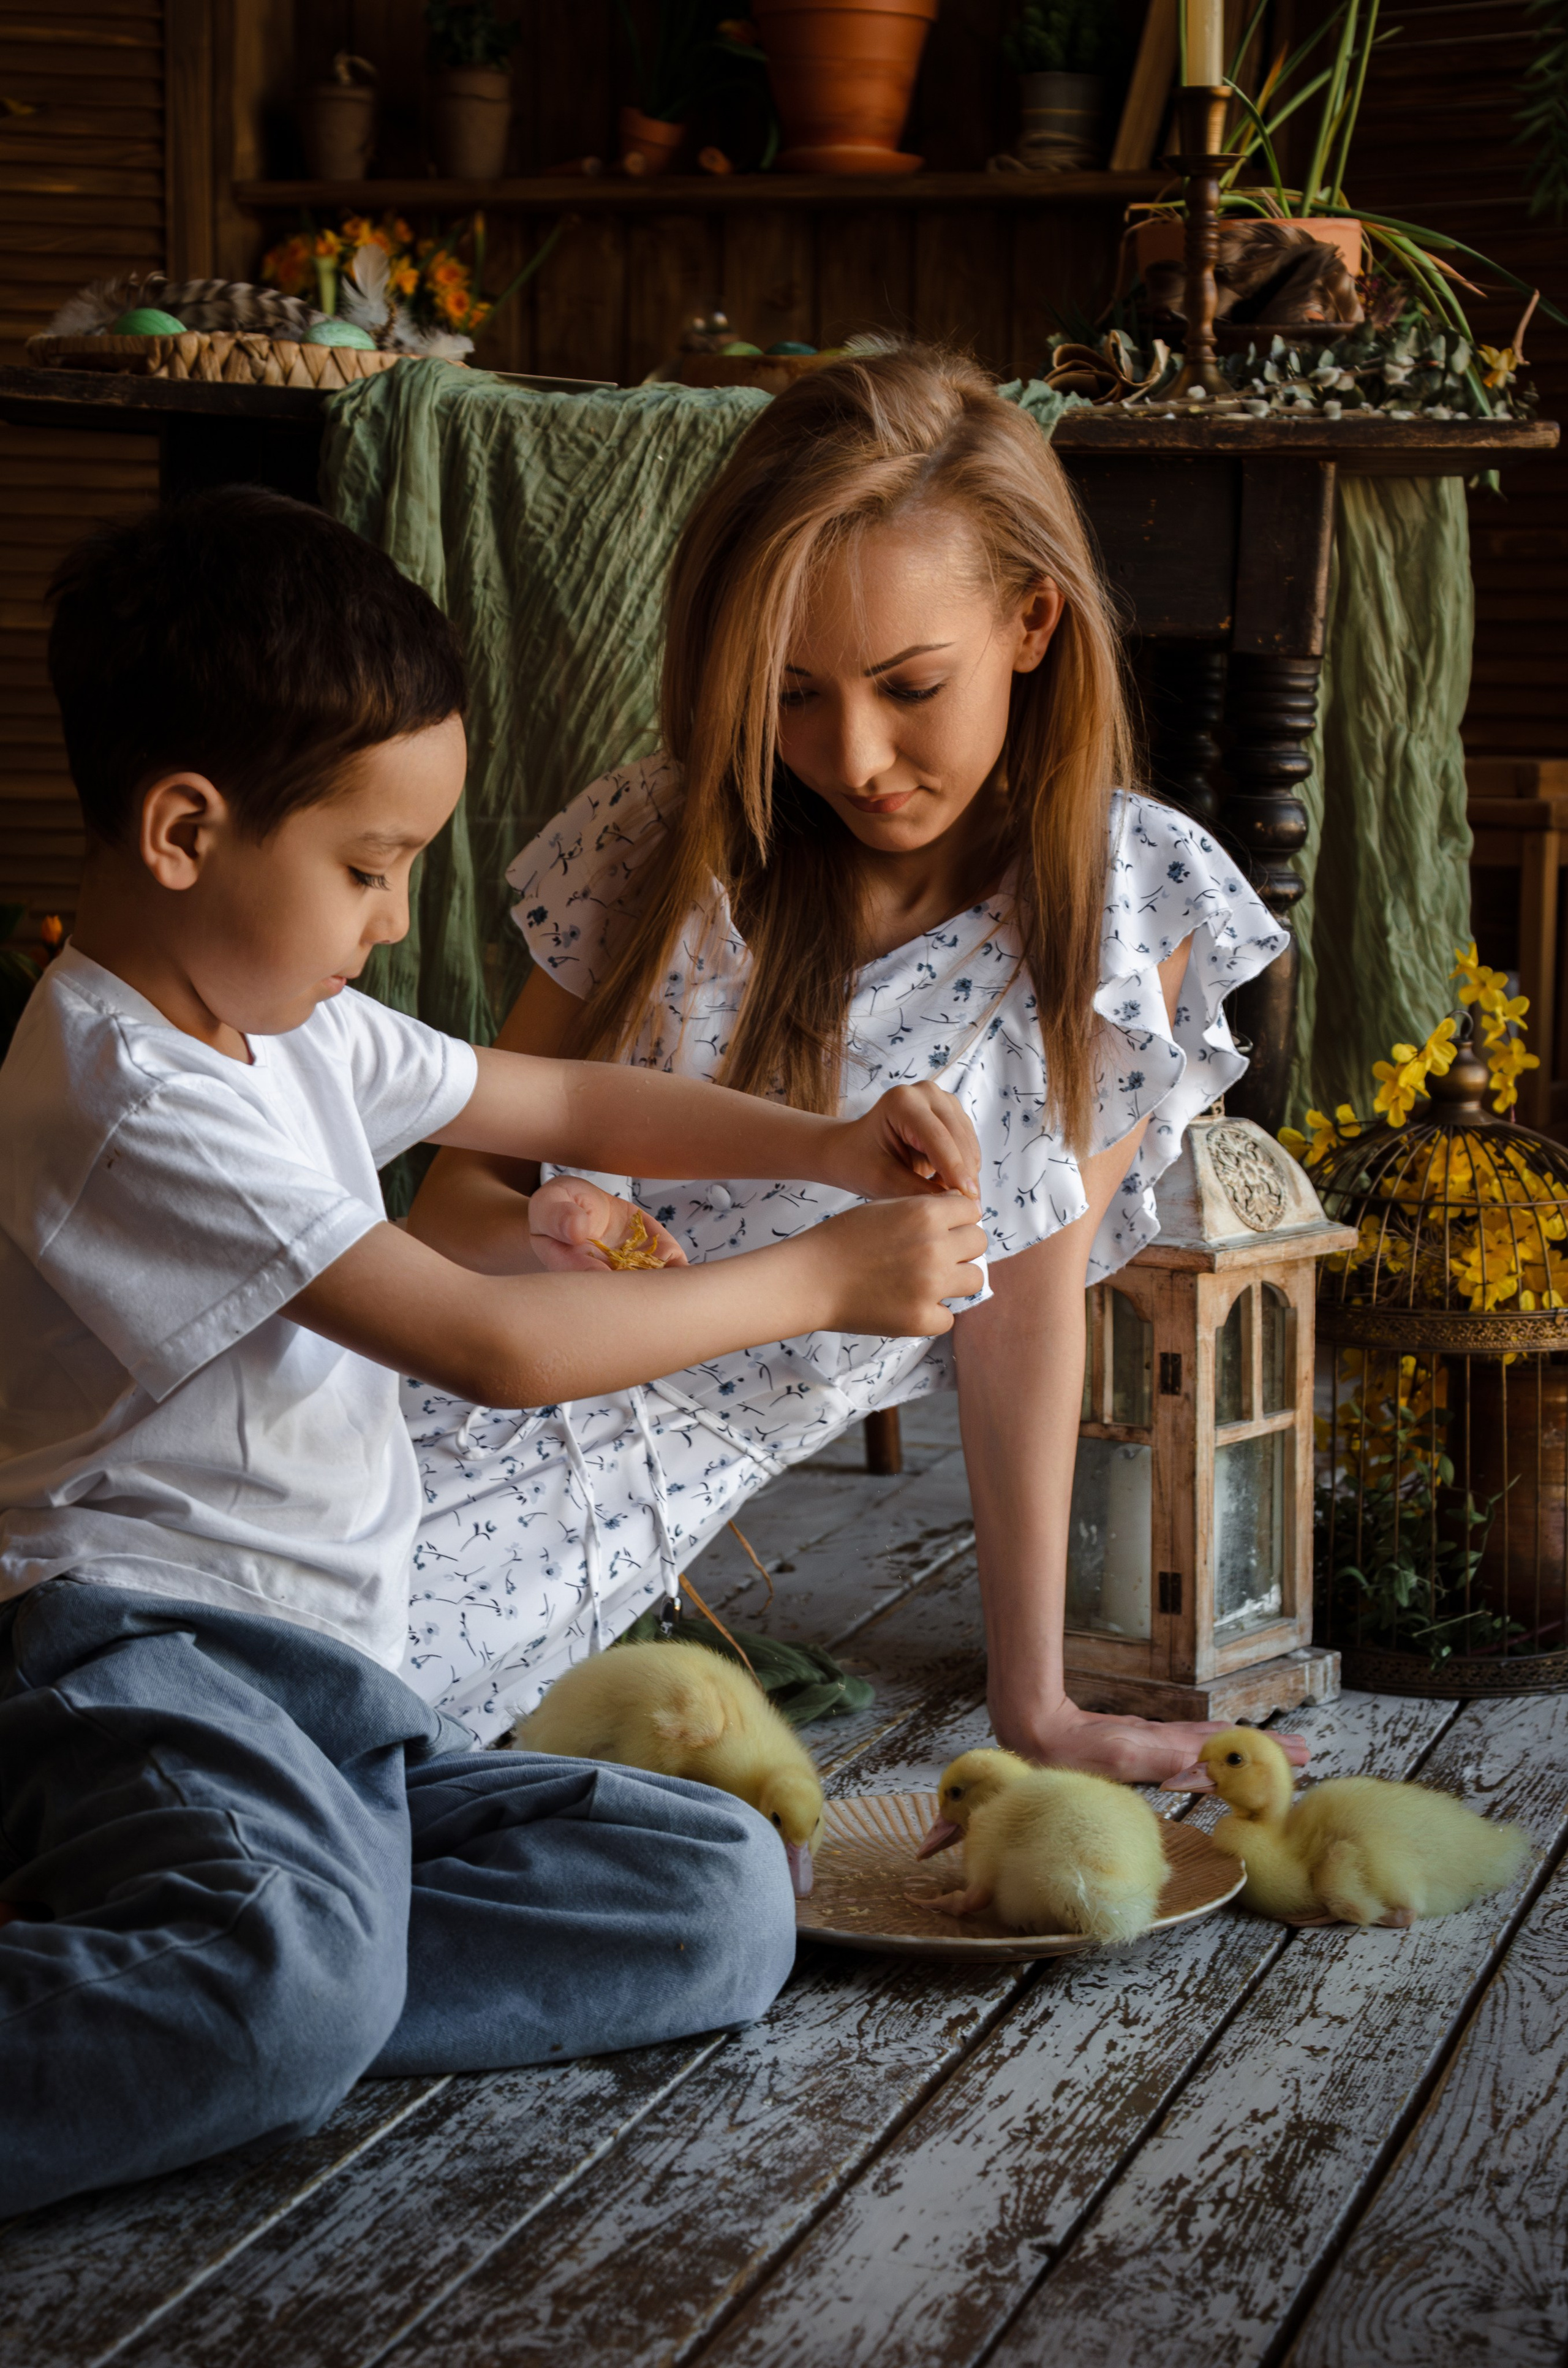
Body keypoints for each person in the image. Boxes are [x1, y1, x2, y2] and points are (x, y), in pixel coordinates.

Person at [0, 487, 986, 2215]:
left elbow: (561, 1098)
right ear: (182, 832)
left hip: (332, 1696)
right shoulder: (118, 1087)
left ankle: (241, 1977)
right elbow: (484, 1343)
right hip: (134, 1660)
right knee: (281, 1996)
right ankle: (251, 1988)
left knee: (722, 1895)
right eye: (368, 869)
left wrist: (817, 1145)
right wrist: (827, 1279)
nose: (394, 918)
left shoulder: (273, 1022)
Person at [406, 344, 1309, 1789]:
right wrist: (544, 1229)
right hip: (417, 1391)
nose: (855, 753)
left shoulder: (1125, 903)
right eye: (791, 693)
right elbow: (446, 1218)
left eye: (908, 685)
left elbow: (1021, 1311)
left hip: (596, 1523)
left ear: (1031, 622)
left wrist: (1039, 1708)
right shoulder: (653, 842)